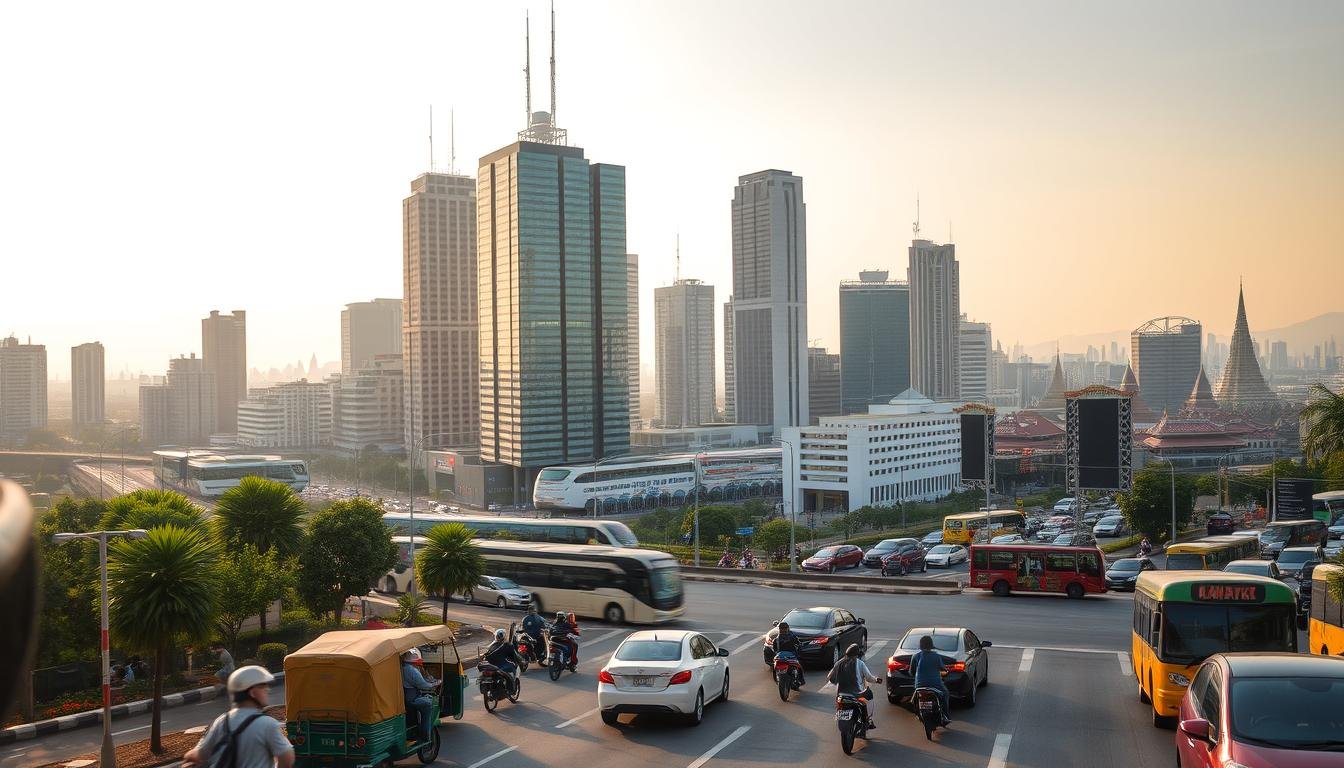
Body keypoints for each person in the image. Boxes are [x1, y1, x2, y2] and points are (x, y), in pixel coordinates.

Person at [182, 665, 294, 768]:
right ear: (253, 692)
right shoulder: (267, 723)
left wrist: (188, 756)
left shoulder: (221, 721)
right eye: (262, 686)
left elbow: (199, 754)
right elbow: (287, 757)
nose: (267, 690)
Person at [826, 643, 880, 729]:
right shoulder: (860, 663)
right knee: (869, 694)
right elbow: (869, 678)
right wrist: (877, 680)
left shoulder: (839, 663)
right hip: (857, 694)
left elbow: (830, 677)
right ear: (857, 655)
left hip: (841, 695)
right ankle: (869, 719)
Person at [400, 649, 438, 745]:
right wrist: (434, 684)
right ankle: (425, 736)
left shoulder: (403, 668)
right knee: (428, 705)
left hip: (405, 698)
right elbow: (423, 685)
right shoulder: (412, 670)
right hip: (412, 699)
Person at [910, 635, 950, 725]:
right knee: (945, 694)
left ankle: (917, 713)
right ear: (931, 646)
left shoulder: (915, 656)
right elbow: (943, 669)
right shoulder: (936, 656)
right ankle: (945, 716)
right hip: (935, 685)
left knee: (914, 698)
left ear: (920, 645)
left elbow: (911, 672)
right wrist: (946, 671)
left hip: (919, 685)